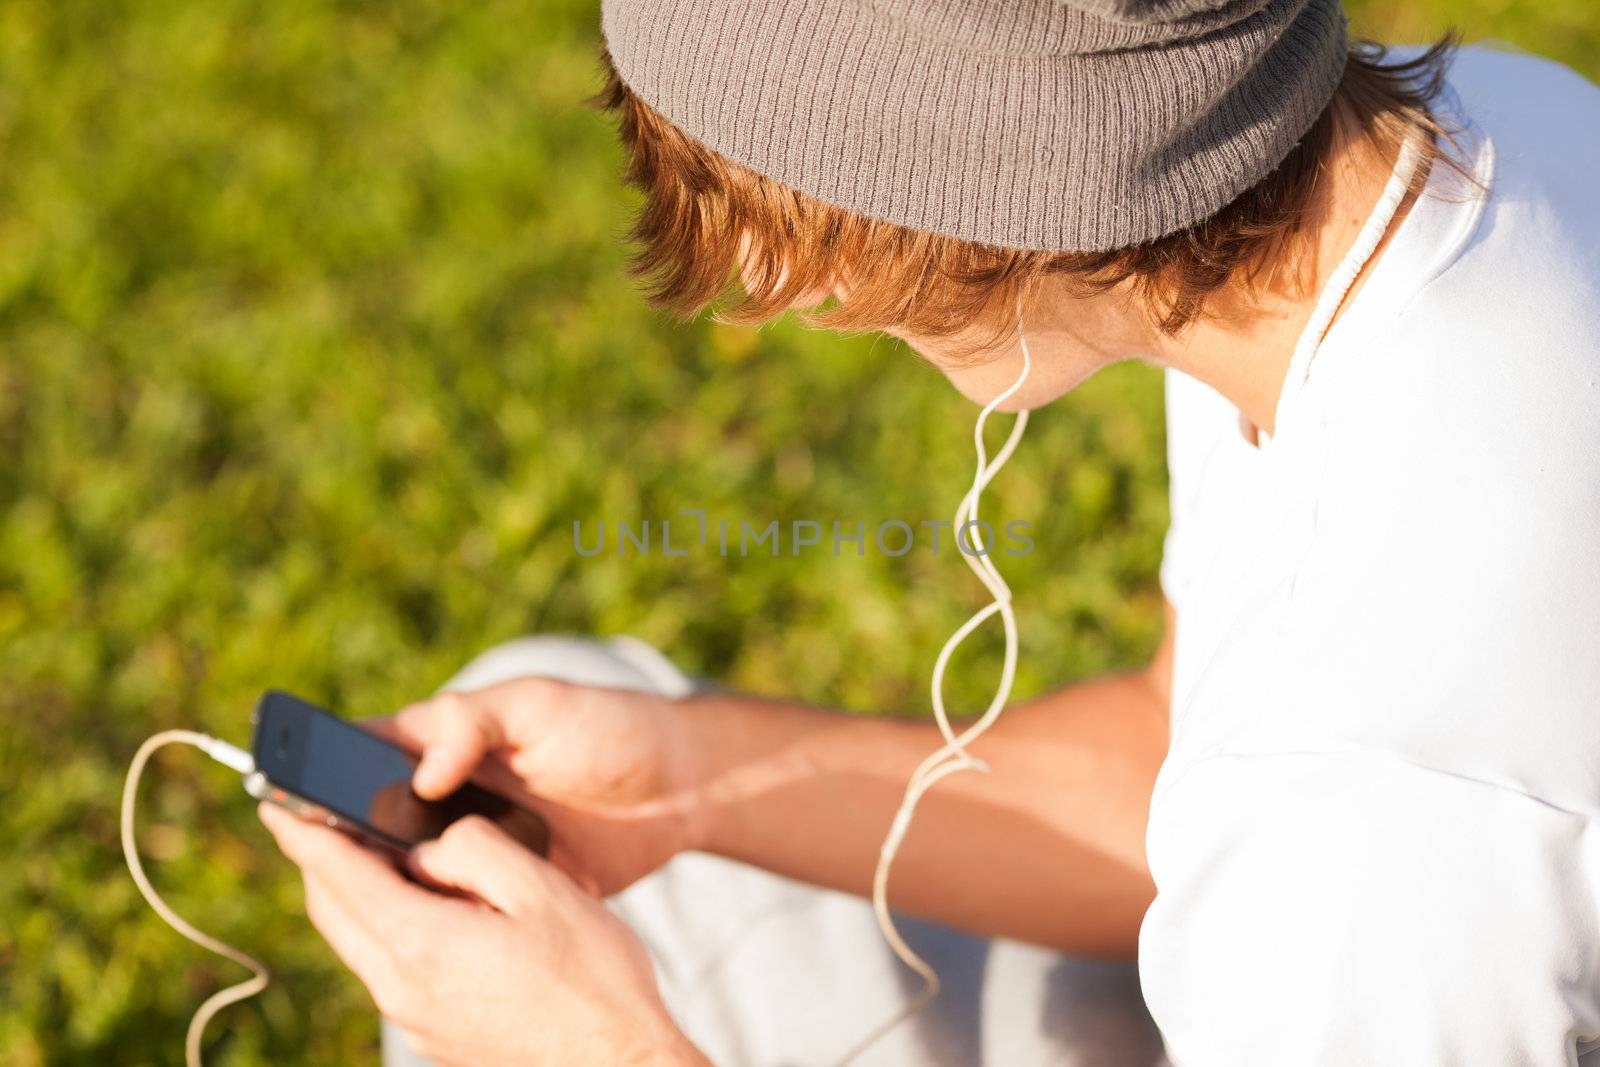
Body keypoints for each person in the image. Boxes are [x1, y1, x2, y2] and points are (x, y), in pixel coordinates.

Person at [259, 0, 1600, 1063]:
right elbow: (1170, 771)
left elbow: (1325, 820)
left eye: (811, 208)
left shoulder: (1378, 809)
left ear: (1037, 148)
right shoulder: (1473, 144)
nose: (783, 291)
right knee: (601, 755)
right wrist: (687, 780)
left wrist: (601, 1052)